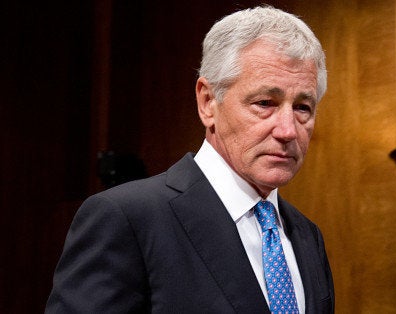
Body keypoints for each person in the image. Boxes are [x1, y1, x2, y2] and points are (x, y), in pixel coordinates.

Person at [45, 6, 334, 313]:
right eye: (265, 103)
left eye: (303, 107)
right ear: (208, 102)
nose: (288, 130)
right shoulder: (126, 218)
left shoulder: (307, 236)